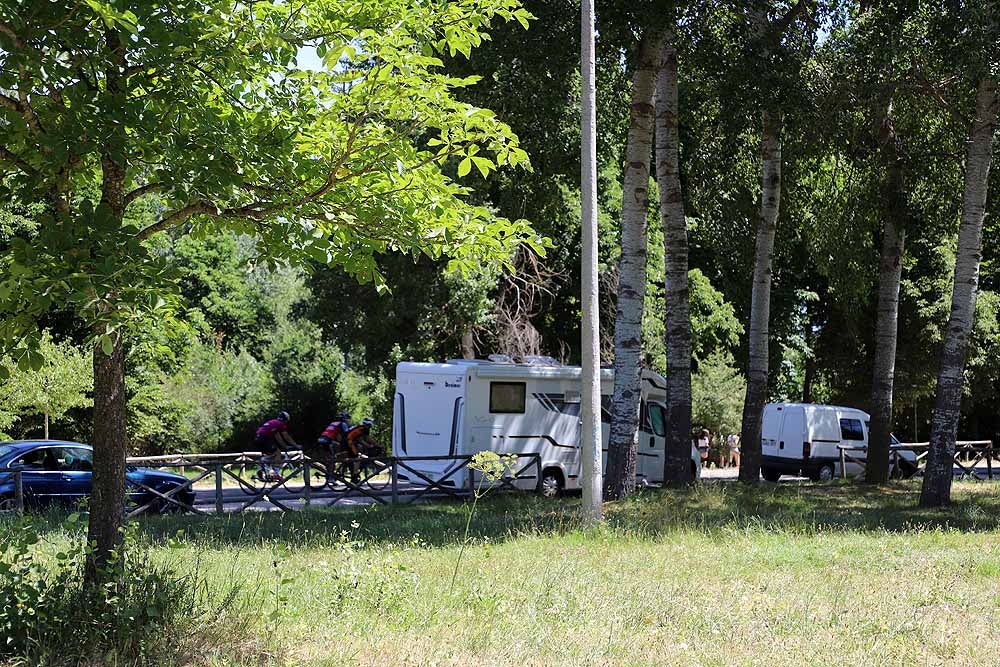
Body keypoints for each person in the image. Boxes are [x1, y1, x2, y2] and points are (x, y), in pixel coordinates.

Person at [254, 411, 299, 481]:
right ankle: (275, 474)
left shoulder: (274, 422)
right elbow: (286, 436)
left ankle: (261, 467)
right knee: (278, 452)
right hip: (263, 438)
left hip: (258, 438)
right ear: (285, 419)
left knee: (272, 454)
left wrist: (285, 446)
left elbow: (278, 438)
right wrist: (296, 445)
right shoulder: (280, 424)